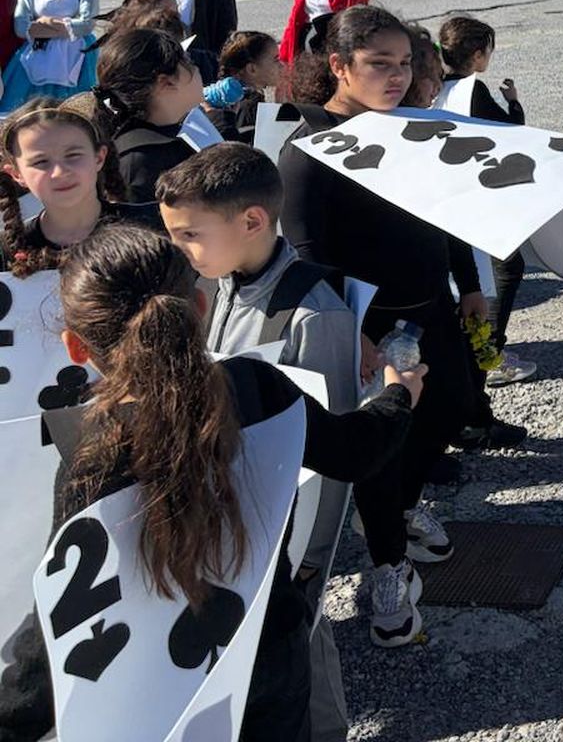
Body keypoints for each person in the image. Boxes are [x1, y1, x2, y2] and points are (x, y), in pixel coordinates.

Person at [0, 224, 420, 742]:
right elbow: (357, 451)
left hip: (156, 687)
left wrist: (13, 713)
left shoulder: (91, 449)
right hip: (269, 652)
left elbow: (61, 608)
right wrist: (397, 397)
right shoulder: (259, 387)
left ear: (76, 347)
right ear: (200, 307)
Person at [278, 5, 485, 643]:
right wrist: (352, 329)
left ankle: (396, 513)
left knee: (451, 410)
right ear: (338, 66)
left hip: (433, 307)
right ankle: (388, 572)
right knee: (382, 445)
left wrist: (470, 284)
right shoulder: (309, 151)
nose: (396, 77)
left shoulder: (411, 129)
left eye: (403, 64)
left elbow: (444, 212)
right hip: (370, 324)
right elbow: (308, 253)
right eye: (378, 64)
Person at [154, 142, 359, 742]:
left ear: (251, 222)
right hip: (242, 515)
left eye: (189, 234)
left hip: (289, 536)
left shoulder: (310, 316)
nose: (179, 250)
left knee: (303, 639)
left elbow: (332, 452)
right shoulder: (219, 281)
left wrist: (311, 562)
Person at [437, 14, 538, 388]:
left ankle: (476, 350)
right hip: (479, 197)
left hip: (447, 197)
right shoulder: (472, 90)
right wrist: (513, 104)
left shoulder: (433, 86)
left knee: (466, 278)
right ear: (479, 55)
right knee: (506, 270)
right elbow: (512, 135)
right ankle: (489, 352)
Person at [0, 99, 155, 276]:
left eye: (73, 155)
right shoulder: (5, 252)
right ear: (16, 174)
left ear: (99, 158)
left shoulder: (155, 225)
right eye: (41, 162)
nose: (60, 172)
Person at [92, 27, 206, 204]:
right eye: (188, 62)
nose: (197, 69)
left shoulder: (175, 135)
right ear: (165, 82)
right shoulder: (140, 160)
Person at [213, 31, 284, 144]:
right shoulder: (250, 106)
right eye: (276, 60)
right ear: (252, 69)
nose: (281, 65)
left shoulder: (223, 94)